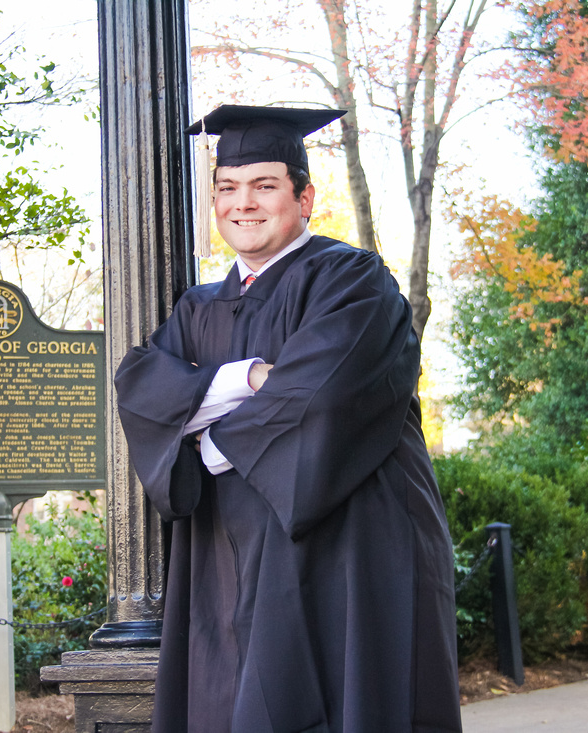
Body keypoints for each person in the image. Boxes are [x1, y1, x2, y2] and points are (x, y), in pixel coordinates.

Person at [114, 104, 462, 733]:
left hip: (348, 544)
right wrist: (246, 379)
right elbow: (142, 388)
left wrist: (203, 428)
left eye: (265, 185)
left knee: (343, 695)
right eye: (227, 188)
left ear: (304, 198)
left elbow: (323, 396)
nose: (242, 203)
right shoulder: (199, 306)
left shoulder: (352, 281)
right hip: (227, 546)